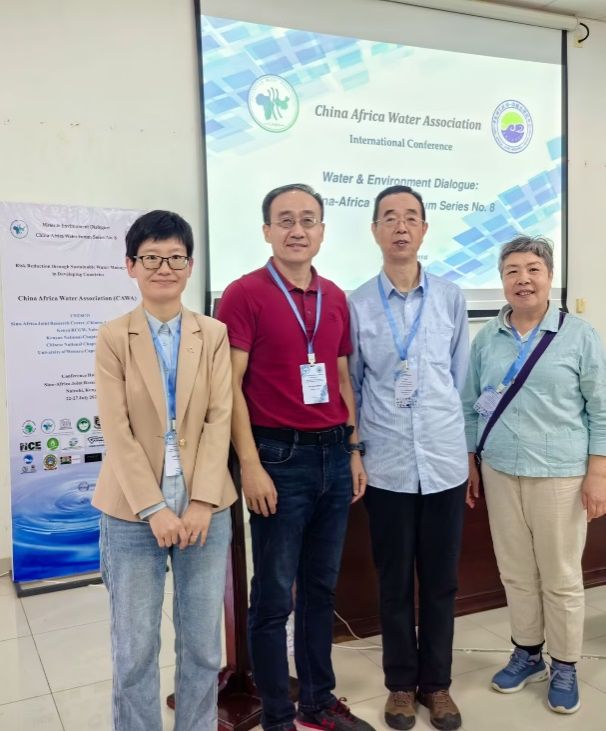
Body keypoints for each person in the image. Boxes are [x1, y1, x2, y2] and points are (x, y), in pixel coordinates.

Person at [216, 183, 374, 731]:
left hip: (333, 454)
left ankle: (317, 702)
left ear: (323, 231)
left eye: (308, 219)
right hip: (277, 458)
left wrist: (353, 449)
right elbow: (229, 387)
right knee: (272, 598)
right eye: (285, 220)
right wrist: (250, 464)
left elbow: (341, 378)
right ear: (267, 231)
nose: (297, 230)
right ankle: (278, 718)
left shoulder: (335, 296)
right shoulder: (243, 294)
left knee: (320, 590)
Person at [93, 210, 237, 731]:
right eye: (151, 257)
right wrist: (153, 507)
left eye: (175, 257)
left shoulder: (213, 333)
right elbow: (117, 430)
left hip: (205, 506)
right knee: (134, 650)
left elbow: (220, 417)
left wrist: (201, 501)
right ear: (130, 265)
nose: (164, 268)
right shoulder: (113, 336)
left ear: (190, 266)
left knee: (202, 646)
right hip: (132, 510)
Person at [463, 235, 606, 714]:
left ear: (549, 277)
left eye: (532, 270)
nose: (522, 280)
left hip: (560, 474)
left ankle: (564, 663)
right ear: (501, 280)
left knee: (560, 576)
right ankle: (527, 654)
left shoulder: (579, 335)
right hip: (501, 469)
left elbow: (601, 409)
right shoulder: (488, 338)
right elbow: (471, 405)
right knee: (516, 571)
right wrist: (471, 461)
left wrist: (598, 473)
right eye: (512, 271)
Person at [349, 185, 469, 731]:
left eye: (411, 217)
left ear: (424, 229)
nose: (401, 226)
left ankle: (436, 685)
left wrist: (458, 443)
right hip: (388, 465)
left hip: (443, 461)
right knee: (394, 581)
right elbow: (353, 385)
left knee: (441, 582)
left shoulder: (450, 297)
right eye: (390, 218)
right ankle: (400, 684)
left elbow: (459, 379)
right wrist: (355, 451)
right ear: (375, 230)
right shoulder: (356, 303)